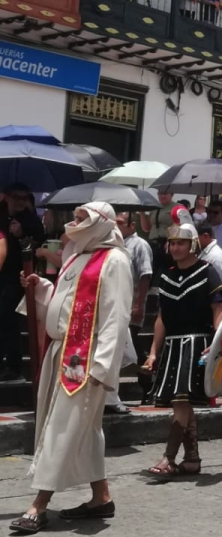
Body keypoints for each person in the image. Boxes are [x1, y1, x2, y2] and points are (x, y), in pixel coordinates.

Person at [11, 203, 131, 534]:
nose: (74, 223)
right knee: (84, 431)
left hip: (85, 360)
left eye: (81, 219)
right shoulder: (76, 256)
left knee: (61, 428)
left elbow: (116, 317)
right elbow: (66, 303)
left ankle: (39, 503)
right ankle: (100, 497)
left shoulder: (115, 260)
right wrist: (40, 288)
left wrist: (103, 366)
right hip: (61, 351)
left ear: (100, 224)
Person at [143, 224, 222, 477]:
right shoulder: (165, 276)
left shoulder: (207, 271)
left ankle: (168, 458)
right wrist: (153, 351)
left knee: (180, 401)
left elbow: (218, 310)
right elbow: (161, 318)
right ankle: (191, 459)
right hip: (173, 345)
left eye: (181, 243)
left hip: (198, 344)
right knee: (182, 403)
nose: (175, 247)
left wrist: (218, 342)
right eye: (172, 243)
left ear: (192, 245)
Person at [107, 212, 153, 414]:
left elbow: (145, 275)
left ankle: (148, 384)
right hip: (116, 305)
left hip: (131, 303)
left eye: (120, 223)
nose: (116, 226)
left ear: (132, 225)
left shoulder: (139, 245)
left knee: (133, 346)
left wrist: (139, 304)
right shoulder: (115, 244)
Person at [1, 183, 44, 382]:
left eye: (24, 198)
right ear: (7, 197)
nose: (20, 202)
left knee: (9, 318)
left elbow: (36, 248)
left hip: (17, 275)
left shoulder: (31, 220)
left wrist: (21, 236)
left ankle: (13, 366)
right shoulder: (2, 215)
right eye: (16, 197)